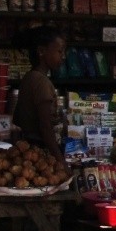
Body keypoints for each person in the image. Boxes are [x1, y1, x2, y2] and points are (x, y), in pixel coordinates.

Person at [11, 26, 67, 166]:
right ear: (41, 51)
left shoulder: (29, 77)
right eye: (60, 51)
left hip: (27, 149)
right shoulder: (42, 83)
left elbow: (17, 118)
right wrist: (61, 162)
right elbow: (45, 127)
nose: (63, 56)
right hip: (40, 152)